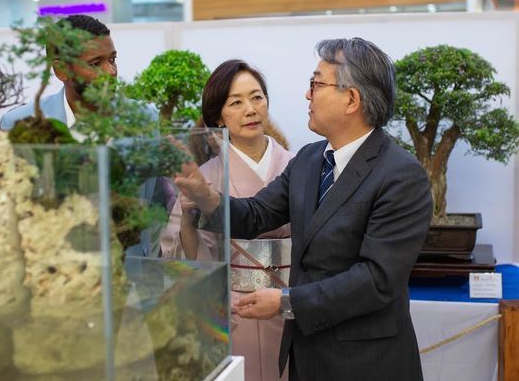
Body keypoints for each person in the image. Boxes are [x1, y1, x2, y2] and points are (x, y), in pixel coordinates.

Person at [174, 38, 433, 381]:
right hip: (307, 356)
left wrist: (285, 301)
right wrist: (204, 195)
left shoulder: (401, 175)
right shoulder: (310, 159)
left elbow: (376, 280)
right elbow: (255, 215)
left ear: (352, 99)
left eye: (316, 84)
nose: (307, 95)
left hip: (366, 361)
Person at [161, 59, 293, 380]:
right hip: (235, 311)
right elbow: (187, 259)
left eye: (257, 97)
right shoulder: (205, 177)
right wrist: (224, 298)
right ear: (218, 116)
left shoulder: (298, 165)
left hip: (290, 308)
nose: (250, 109)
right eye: (236, 102)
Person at [0, 14, 117, 130]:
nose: (111, 72)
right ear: (61, 70)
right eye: (95, 64)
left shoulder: (134, 119)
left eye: (112, 60)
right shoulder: (19, 123)